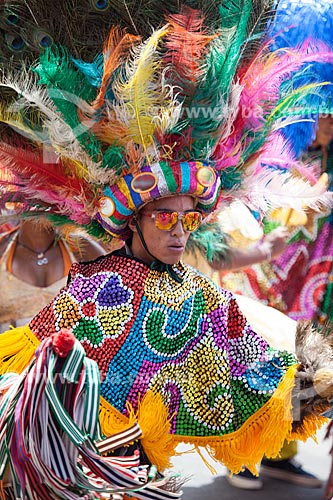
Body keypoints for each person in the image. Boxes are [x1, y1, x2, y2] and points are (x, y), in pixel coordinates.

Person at [1, 2, 333, 498]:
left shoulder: (199, 294)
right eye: (164, 216)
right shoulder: (96, 288)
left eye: (190, 218)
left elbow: (249, 377)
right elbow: (35, 390)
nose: (180, 231)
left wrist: (314, 383)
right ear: (133, 221)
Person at [0, 218, 107, 332]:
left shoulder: (84, 249)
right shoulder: (2, 249)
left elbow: (111, 312)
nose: (38, 204)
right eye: (32, 199)